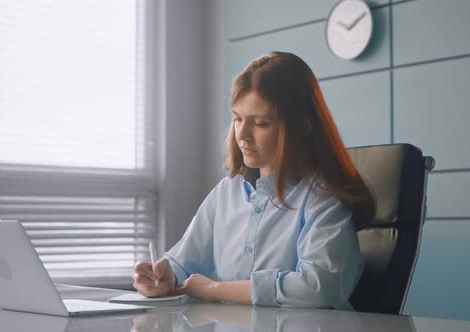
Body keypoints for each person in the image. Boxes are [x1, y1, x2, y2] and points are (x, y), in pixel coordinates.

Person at [132, 51, 374, 310]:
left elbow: (316, 288)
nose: (243, 135)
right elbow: (183, 262)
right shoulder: (227, 192)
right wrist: (164, 277)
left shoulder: (324, 199)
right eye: (238, 119)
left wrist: (215, 290)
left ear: (303, 125)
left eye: (260, 123)